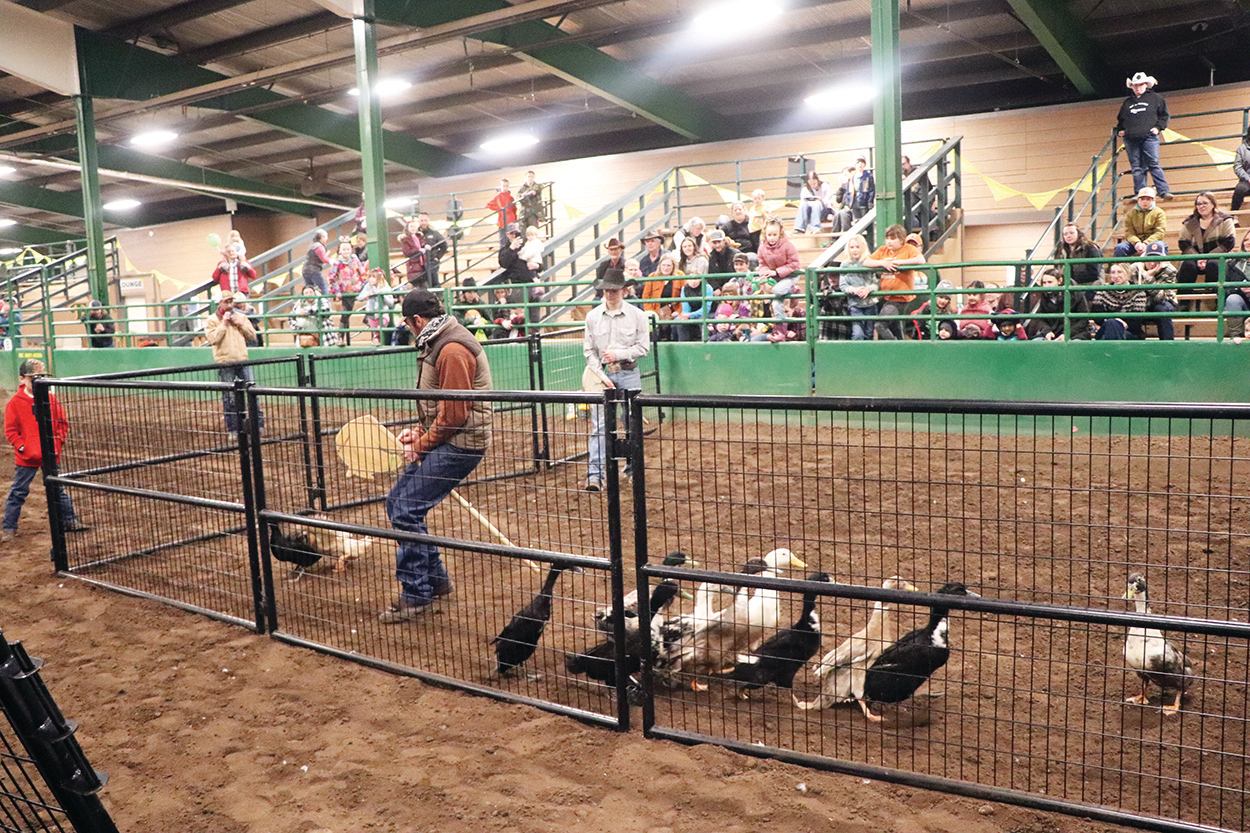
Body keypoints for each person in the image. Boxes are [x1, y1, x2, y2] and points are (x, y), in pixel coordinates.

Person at [381, 289, 493, 623]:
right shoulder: (441, 341)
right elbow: (443, 408)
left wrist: (421, 444)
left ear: (417, 320)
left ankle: (417, 593)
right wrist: (420, 432)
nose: (409, 329)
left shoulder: (452, 349)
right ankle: (436, 580)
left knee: (405, 507)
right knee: (398, 502)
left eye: (407, 323)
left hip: (463, 443)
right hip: (455, 438)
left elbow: (455, 414)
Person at [3, 359, 87, 542]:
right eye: (34, 377)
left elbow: (62, 424)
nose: (38, 380)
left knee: (57, 488)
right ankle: (9, 527)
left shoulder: (50, 399)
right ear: (22, 379)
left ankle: (70, 519)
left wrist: (56, 444)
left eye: (41, 376)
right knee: (19, 491)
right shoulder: (15, 403)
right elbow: (10, 431)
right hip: (27, 457)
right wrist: (23, 447)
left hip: (49, 454)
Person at [582, 268, 650, 493]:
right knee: (599, 425)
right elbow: (589, 351)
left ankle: (632, 469)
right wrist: (601, 375)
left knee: (631, 422)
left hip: (628, 371)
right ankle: (595, 475)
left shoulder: (637, 315)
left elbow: (643, 347)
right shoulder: (592, 317)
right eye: (606, 290)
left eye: (614, 290)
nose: (610, 294)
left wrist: (618, 354)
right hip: (602, 375)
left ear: (623, 290)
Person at [204, 292, 263, 433]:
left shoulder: (241, 317)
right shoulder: (212, 320)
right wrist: (224, 323)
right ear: (219, 303)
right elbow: (213, 339)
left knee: (252, 394)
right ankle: (234, 429)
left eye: (231, 301)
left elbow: (253, 336)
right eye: (227, 301)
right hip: (225, 362)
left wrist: (241, 324)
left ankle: (257, 425)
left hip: (242, 359)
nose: (230, 305)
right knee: (229, 397)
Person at [1116, 72, 1171, 198]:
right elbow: (1121, 119)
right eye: (1135, 85)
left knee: (1152, 163)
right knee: (1137, 167)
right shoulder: (1127, 102)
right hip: (1131, 138)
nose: (1137, 87)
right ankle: (1140, 193)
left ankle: (1163, 191)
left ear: (1146, 85)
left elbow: (1164, 115)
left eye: (1140, 85)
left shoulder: (1156, 98)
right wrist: (1121, 129)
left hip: (1149, 136)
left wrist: (1158, 128)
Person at [863, 224, 924, 339]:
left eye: (893, 238)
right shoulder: (882, 250)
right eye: (887, 238)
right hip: (886, 296)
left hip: (900, 297)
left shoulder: (908, 248)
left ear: (901, 239)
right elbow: (866, 262)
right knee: (895, 327)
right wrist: (882, 263)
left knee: (880, 324)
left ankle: (895, 345)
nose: (889, 242)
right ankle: (899, 346)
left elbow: (921, 260)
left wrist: (899, 262)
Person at [1176, 191, 1236, 292]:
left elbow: (1229, 242)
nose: (1201, 206)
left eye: (1205, 203)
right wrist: (1198, 258)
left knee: (1213, 264)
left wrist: (1207, 258)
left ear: (1213, 204)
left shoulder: (1225, 220)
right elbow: (1183, 243)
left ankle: (1214, 299)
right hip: (1195, 258)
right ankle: (1184, 302)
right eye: (1199, 204)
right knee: (1187, 265)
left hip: (1219, 257)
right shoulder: (1189, 222)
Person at [1027, 269, 1091, 340]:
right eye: (1044, 283)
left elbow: (1083, 319)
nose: (1046, 286)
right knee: (1036, 342)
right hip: (1053, 334)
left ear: (1060, 281)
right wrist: (1047, 331)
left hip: (1075, 334)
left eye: (1050, 282)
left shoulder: (1075, 294)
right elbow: (1040, 318)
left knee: (1075, 345)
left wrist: (1067, 334)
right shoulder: (1045, 296)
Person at [1092, 263, 1147, 340]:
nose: (1116, 276)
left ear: (1128, 273)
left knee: (1111, 331)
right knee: (1112, 324)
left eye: (1119, 272)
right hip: (1106, 328)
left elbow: (1136, 321)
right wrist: (1117, 321)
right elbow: (1097, 316)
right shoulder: (1103, 290)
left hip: (1130, 331)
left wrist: (1115, 321)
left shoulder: (1138, 292)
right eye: (1113, 272)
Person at [837, 234, 877, 340]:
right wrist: (854, 290)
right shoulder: (845, 265)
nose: (855, 250)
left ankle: (867, 355)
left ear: (863, 248)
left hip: (870, 303)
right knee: (858, 333)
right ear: (848, 249)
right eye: (852, 247)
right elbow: (843, 285)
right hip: (855, 304)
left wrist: (868, 289)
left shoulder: (869, 262)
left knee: (869, 333)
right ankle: (855, 355)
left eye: (858, 247)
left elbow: (876, 283)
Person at [327, 240, 367, 345]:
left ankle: (341, 337)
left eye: (348, 249)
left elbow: (362, 272)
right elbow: (332, 278)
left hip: (356, 289)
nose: (346, 251)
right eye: (343, 249)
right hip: (344, 291)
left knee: (347, 313)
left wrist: (362, 285)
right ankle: (340, 337)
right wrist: (337, 291)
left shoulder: (354, 259)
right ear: (339, 251)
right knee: (345, 313)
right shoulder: (337, 262)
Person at [1114, 187, 1167, 258]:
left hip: (1153, 241)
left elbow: (1160, 232)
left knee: (1160, 246)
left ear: (1153, 200)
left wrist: (1146, 243)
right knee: (1120, 248)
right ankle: (1121, 268)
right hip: (1135, 243)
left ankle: (1160, 267)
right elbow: (1129, 232)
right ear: (1138, 200)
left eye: (1148, 199)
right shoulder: (1131, 213)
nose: (1144, 201)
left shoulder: (1159, 213)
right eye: (1142, 199)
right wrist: (1137, 242)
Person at [1136, 252, 1178, 340]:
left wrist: (1149, 278)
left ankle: (1167, 345)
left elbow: (1164, 297)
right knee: (1132, 308)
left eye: (1156, 261)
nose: (1152, 264)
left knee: (1163, 309)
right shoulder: (1135, 268)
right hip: (1141, 302)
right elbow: (1133, 293)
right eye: (1149, 260)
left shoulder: (1170, 270)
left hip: (1163, 302)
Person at [1053, 223, 1104, 288]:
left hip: (1090, 285)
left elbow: (1094, 273)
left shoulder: (1090, 248)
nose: (1068, 236)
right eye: (1065, 234)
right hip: (1068, 285)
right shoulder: (1061, 249)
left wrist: (1071, 280)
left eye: (1071, 233)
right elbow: (1057, 269)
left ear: (1078, 233)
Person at [414, 213, 447, 288]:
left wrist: (437, 257)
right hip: (419, 262)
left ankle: (439, 297)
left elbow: (444, 245)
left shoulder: (434, 233)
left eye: (425, 220)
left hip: (432, 261)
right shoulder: (415, 234)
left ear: (428, 221)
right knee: (422, 284)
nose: (423, 222)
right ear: (419, 221)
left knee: (433, 281)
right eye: (421, 220)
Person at [486, 178, 517, 249]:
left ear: (508, 186)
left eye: (506, 186)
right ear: (500, 186)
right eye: (503, 186)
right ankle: (503, 258)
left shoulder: (511, 198)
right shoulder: (498, 197)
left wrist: (515, 219)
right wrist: (499, 209)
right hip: (502, 222)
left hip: (510, 221)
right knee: (503, 242)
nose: (505, 188)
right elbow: (489, 205)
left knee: (511, 240)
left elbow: (514, 209)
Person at [397, 218, 429, 287]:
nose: (413, 228)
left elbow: (423, 245)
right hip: (413, 266)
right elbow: (407, 252)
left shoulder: (419, 237)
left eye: (414, 226)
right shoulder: (405, 239)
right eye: (411, 226)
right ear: (407, 228)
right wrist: (418, 250)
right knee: (419, 286)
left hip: (423, 265)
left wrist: (425, 246)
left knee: (425, 286)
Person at [302, 229, 331, 294]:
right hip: (313, 270)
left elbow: (317, 258)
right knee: (323, 287)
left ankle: (310, 302)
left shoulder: (312, 245)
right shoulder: (319, 246)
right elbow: (324, 259)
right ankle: (325, 302)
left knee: (310, 288)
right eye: (326, 237)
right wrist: (331, 261)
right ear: (322, 237)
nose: (327, 239)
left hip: (305, 270)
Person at [832, 166, 857, 232]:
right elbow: (838, 200)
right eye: (844, 175)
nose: (845, 176)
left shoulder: (856, 184)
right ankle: (835, 237)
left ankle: (847, 235)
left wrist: (849, 206)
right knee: (837, 214)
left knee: (843, 213)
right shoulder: (844, 186)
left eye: (846, 174)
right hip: (845, 208)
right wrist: (840, 189)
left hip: (854, 209)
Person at [851, 156, 875, 221]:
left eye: (862, 162)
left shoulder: (867, 176)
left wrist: (870, 201)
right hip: (855, 202)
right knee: (857, 221)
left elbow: (870, 190)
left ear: (864, 164)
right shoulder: (853, 176)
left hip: (864, 202)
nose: (860, 164)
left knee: (866, 221)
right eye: (858, 162)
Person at [1233, 129, 1250, 211]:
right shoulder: (1242, 149)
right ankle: (1233, 216)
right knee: (1240, 189)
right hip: (1247, 181)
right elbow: (1237, 166)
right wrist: (1248, 178)